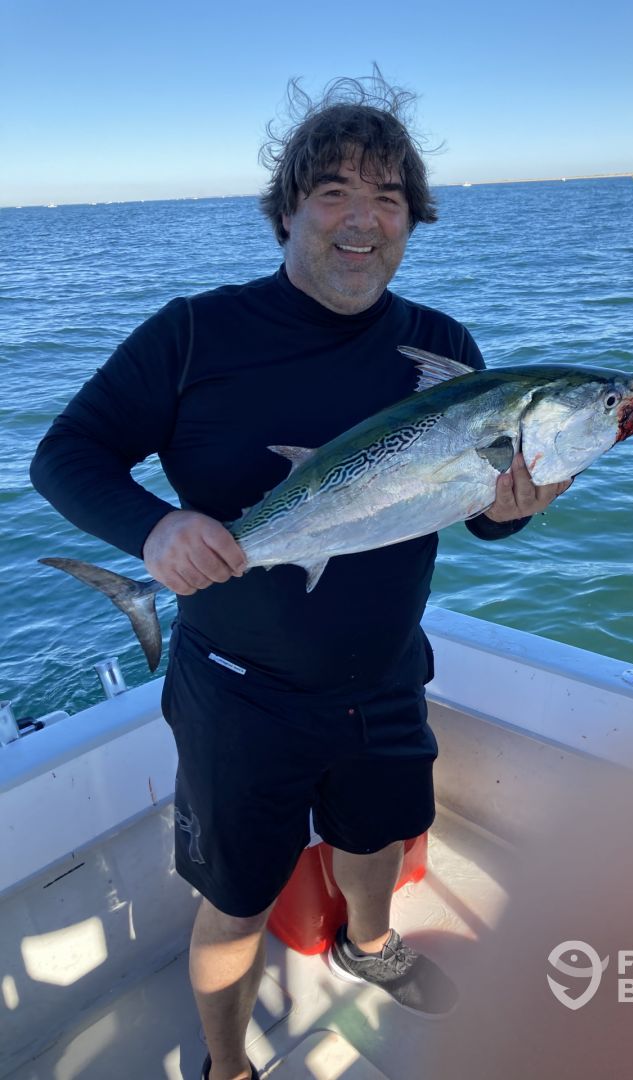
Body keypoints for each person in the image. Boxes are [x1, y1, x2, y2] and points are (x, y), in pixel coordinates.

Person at [30, 72, 572, 1080]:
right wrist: (153, 529)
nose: (362, 220)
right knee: (236, 899)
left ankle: (369, 943)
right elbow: (64, 454)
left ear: (412, 221)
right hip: (240, 696)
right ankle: (228, 1065)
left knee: (379, 840)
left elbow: (475, 517)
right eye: (333, 193)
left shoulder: (441, 350)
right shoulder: (195, 334)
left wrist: (514, 509)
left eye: (388, 198)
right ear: (286, 211)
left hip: (386, 675)